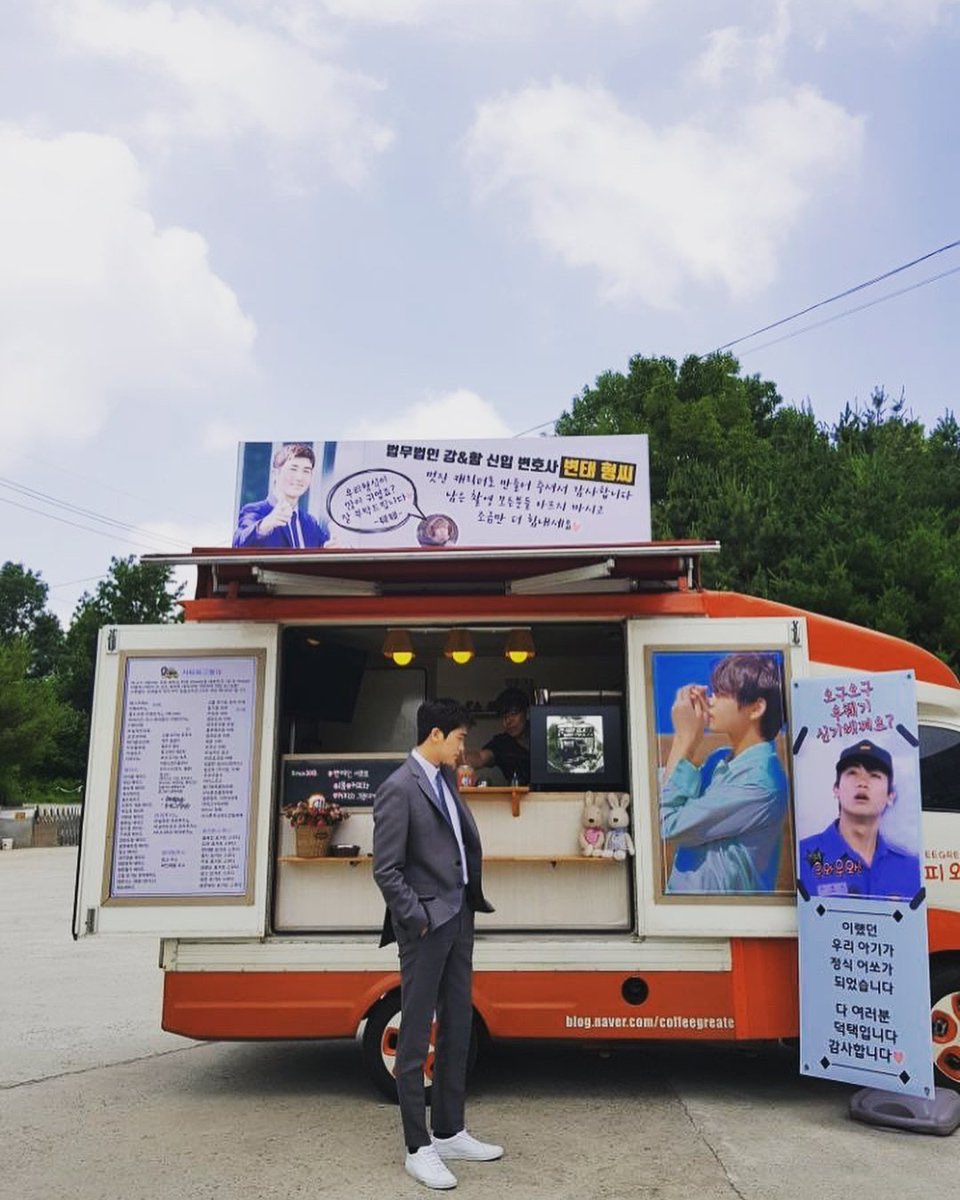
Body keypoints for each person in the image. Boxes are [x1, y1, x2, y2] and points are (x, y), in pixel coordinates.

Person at [372, 698, 501, 1190]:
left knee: (458, 1025)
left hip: (460, 915)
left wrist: (462, 905)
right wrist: (419, 918)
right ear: (435, 736)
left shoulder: (445, 779)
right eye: (460, 738)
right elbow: (386, 869)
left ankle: (448, 1130)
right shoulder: (398, 789)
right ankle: (417, 1146)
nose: (465, 747)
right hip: (426, 925)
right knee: (414, 1036)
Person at [659, 652, 788, 894]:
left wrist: (686, 738)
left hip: (720, 920)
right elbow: (666, 796)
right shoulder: (719, 759)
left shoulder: (760, 783)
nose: (711, 700)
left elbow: (669, 825)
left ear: (756, 707)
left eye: (721, 693)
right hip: (689, 912)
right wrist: (683, 739)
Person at [798, 739, 921, 900]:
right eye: (852, 773)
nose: (862, 783)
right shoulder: (803, 858)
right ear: (836, 789)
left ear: (890, 797)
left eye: (874, 775)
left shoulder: (910, 868)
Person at [232, 442, 329, 549]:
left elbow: (325, 549)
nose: (299, 477)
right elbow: (238, 543)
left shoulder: (310, 522)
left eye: (306, 471)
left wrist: (332, 547)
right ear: (275, 473)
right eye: (293, 469)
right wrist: (265, 525)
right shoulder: (255, 511)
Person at [462, 687, 531, 786]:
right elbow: (480, 757)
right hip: (517, 797)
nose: (508, 721)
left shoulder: (543, 737)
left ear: (527, 713)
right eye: (504, 717)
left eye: (513, 714)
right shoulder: (502, 743)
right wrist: (455, 755)